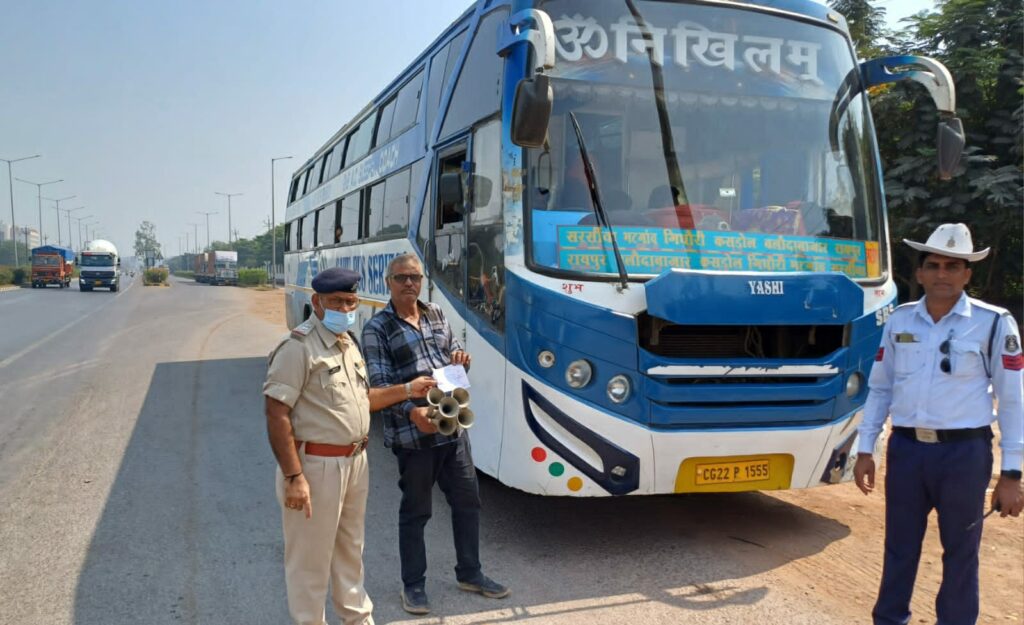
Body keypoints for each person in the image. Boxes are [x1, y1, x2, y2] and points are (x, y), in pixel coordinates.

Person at [854, 223, 1023, 625]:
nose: (942, 274)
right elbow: (880, 389)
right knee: (899, 547)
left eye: (953, 266)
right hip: (908, 451)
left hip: (963, 455)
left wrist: (1012, 473)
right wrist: (865, 449)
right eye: (934, 265)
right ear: (920, 273)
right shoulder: (900, 321)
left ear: (967, 274)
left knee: (961, 552)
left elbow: (1013, 399)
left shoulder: (994, 323)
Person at [263, 267, 435, 625]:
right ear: (317, 303)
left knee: (350, 553)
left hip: (355, 462)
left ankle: (358, 619)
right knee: (310, 562)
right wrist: (294, 476)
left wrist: (406, 390)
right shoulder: (298, 348)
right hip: (316, 467)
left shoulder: (348, 343)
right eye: (337, 302)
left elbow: (363, 399)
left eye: (351, 301)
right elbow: (276, 412)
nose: (345, 308)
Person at [361, 253, 509, 615]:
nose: (409, 283)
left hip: (451, 426)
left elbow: (448, 352)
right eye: (401, 278)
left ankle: (470, 573)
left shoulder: (437, 314)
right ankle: (413, 585)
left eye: (414, 277)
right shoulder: (377, 328)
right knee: (416, 512)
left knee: (468, 503)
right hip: (414, 437)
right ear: (388, 282)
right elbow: (378, 386)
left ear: (422, 280)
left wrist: (460, 356)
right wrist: (411, 411)